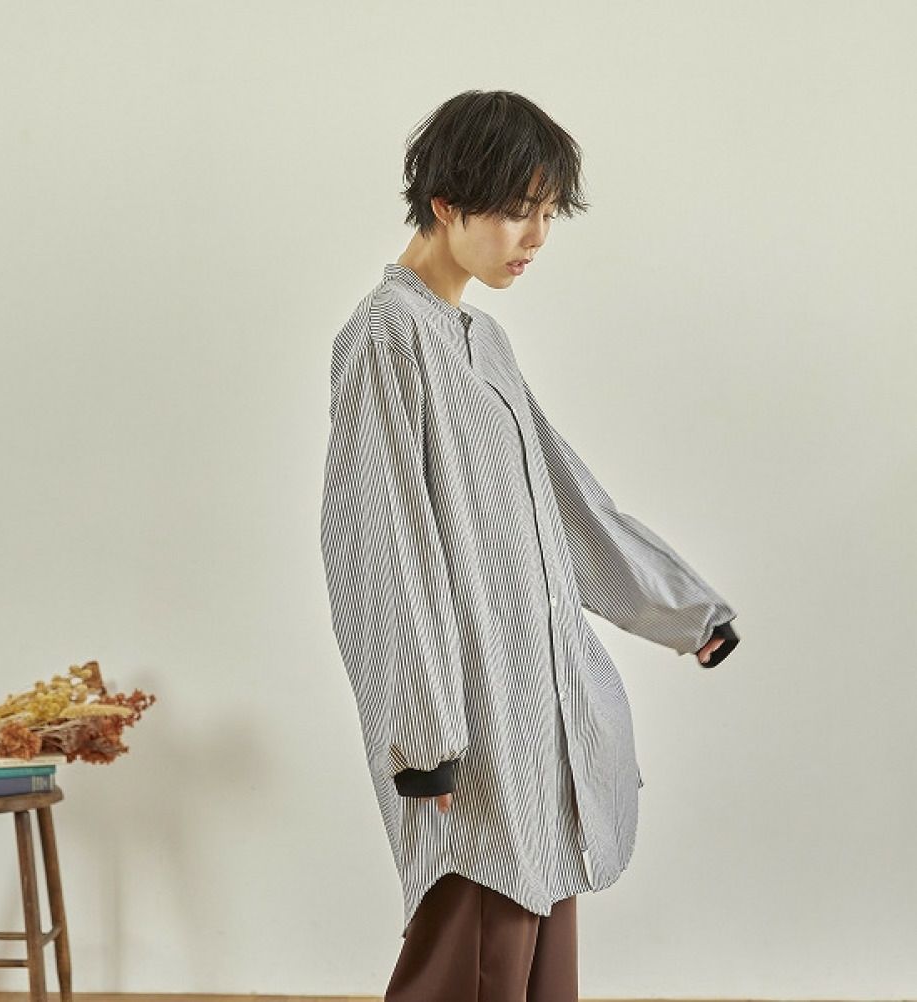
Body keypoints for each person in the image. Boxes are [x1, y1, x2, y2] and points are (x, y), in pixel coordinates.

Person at [319, 89, 740, 1002]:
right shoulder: (387, 336)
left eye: (547, 213)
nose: (536, 237)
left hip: (541, 713)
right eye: (517, 211)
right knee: (471, 962)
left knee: (535, 965)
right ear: (446, 203)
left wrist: (683, 611)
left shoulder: (484, 341)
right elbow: (378, 547)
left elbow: (567, 501)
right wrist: (422, 732)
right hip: (468, 726)